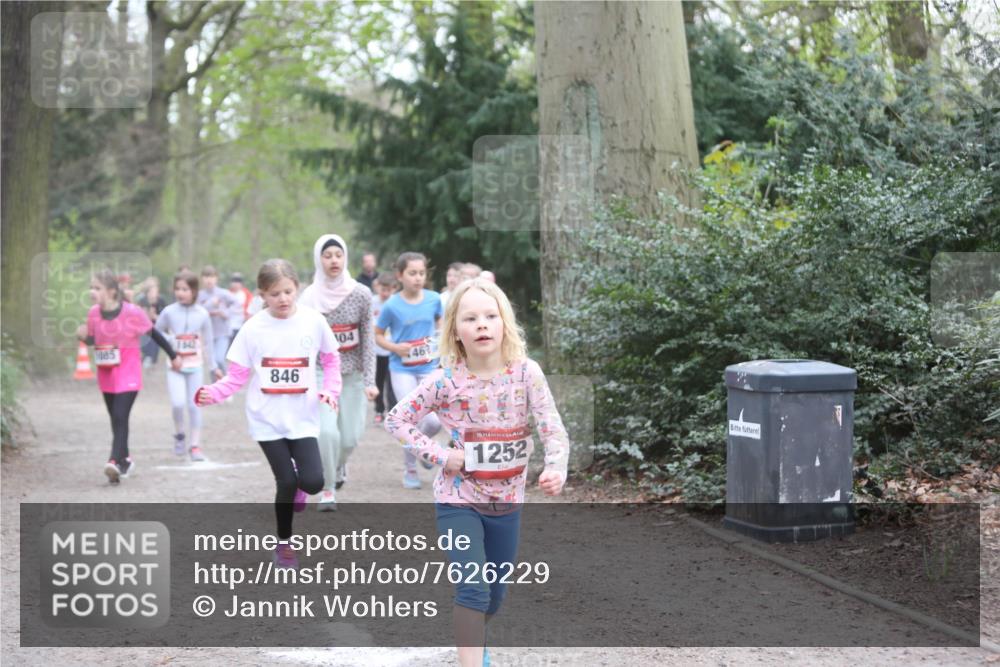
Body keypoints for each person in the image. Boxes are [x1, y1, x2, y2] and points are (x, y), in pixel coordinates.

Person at [385, 278, 569, 667]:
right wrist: (439, 455)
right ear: (455, 330)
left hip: (507, 503)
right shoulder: (445, 380)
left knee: (494, 595)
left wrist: (556, 467)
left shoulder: (527, 373)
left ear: (505, 323)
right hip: (458, 501)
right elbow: (396, 420)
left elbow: (551, 425)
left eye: (490, 316)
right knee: (473, 589)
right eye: (470, 318)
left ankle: (475, 637)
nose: (482, 324)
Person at [195, 259, 341, 569]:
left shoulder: (313, 321)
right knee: (285, 481)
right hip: (266, 419)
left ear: (297, 288)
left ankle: (302, 489)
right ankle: (284, 545)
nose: (283, 299)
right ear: (262, 294)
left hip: (302, 417)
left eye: (288, 291)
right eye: (275, 294)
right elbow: (236, 376)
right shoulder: (253, 328)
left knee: (313, 482)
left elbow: (331, 360)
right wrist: (214, 393)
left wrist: (331, 390)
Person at [77, 269, 182, 483]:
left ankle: (113, 461)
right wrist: (83, 337)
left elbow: (154, 334)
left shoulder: (132, 312)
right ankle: (124, 460)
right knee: (115, 419)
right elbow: (93, 340)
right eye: (91, 288)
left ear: (112, 291)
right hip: (106, 374)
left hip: (129, 373)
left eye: (97, 288)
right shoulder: (93, 314)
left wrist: (173, 356)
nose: (92, 292)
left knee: (120, 416)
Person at [298, 234, 378, 511]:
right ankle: (328, 489)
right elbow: (303, 343)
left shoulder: (361, 294)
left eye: (338, 255)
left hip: (353, 375)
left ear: (345, 258)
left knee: (350, 438)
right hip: (321, 374)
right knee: (327, 433)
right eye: (327, 255)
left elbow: (368, 340)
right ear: (318, 259)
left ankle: (339, 464)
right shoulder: (308, 298)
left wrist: (370, 380)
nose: (333, 260)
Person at [375, 251, 443, 489]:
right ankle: (410, 469)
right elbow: (378, 335)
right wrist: (395, 347)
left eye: (422, 273)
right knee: (410, 421)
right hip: (401, 369)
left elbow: (440, 325)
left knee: (434, 422)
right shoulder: (392, 305)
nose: (418, 278)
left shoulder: (434, 299)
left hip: (428, 367)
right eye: (412, 273)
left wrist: (441, 343)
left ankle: (423, 449)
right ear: (400, 275)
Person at [155, 270, 224, 461]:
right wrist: (171, 340)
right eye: (177, 289)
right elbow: (156, 332)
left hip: (195, 366)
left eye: (185, 289)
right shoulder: (169, 311)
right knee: (177, 403)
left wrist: (213, 367)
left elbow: (208, 343)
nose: (180, 293)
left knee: (195, 406)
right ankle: (179, 435)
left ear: (194, 291)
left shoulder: (202, 314)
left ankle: (195, 446)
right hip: (175, 366)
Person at [197, 265, 241, 374]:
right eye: (206, 277)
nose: (209, 280)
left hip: (222, 333)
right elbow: (198, 311)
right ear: (202, 279)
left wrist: (225, 313)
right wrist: (211, 303)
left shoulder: (223, 293)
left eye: (212, 277)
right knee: (212, 364)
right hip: (207, 335)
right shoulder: (199, 295)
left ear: (216, 278)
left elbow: (237, 304)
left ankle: (226, 381)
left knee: (219, 359)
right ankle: (215, 384)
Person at [371, 272, 399, 424]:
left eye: (388, 290)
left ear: (394, 288)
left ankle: (393, 412)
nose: (385, 293)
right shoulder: (372, 302)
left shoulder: (396, 302)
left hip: (392, 350)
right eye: (383, 289)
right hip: (376, 350)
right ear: (377, 287)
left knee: (393, 384)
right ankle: (379, 409)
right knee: (378, 382)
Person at [137, 277, 167, 368]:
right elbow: (140, 317)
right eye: (150, 290)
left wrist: (154, 316)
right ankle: (147, 356)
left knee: (155, 335)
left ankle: (150, 358)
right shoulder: (142, 300)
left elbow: (165, 318)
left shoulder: (161, 300)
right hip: (144, 326)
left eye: (155, 289)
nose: (153, 292)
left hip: (157, 325)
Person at [228, 272, 254, 346]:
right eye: (234, 281)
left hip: (241, 325)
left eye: (238, 282)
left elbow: (250, 309)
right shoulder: (227, 294)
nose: (236, 284)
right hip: (229, 325)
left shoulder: (247, 294)